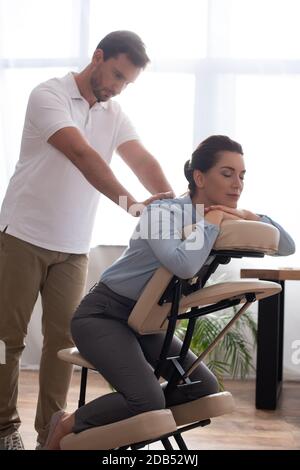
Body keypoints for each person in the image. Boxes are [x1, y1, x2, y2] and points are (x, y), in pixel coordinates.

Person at [43, 135, 295, 450]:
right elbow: (183, 264)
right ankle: (67, 423)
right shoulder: (161, 213)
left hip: (149, 321)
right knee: (146, 399)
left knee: (201, 387)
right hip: (104, 315)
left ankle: (140, 410)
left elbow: (286, 245)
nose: (238, 184)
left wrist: (250, 216)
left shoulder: (229, 216)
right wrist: (212, 220)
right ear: (199, 177)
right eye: (227, 173)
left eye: (242, 176)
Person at [0, 30, 174, 450]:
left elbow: (141, 159)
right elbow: (82, 156)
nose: (117, 88)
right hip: (21, 236)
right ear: (97, 58)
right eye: (115, 75)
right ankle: (4, 428)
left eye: (126, 83)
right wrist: (134, 207)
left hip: (74, 247)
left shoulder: (113, 113)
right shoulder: (49, 95)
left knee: (61, 344)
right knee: (7, 339)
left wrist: (176, 210)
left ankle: (49, 433)